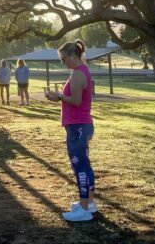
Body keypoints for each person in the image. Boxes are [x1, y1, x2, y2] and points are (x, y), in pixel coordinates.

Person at [45, 40, 97, 222]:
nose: (63, 62)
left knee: (80, 167)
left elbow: (75, 101)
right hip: (81, 125)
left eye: (63, 59)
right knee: (85, 164)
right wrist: (58, 97)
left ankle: (84, 209)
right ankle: (89, 203)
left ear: (72, 56)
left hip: (78, 127)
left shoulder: (77, 74)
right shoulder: (82, 71)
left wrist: (58, 95)